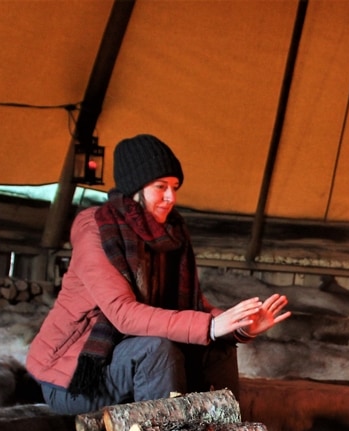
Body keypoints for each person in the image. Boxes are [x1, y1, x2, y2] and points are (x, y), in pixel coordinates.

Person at [27, 134, 290, 416]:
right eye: (160, 187)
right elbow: (122, 313)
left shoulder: (171, 234)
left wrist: (238, 327)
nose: (171, 197)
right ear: (135, 189)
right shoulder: (98, 229)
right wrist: (210, 326)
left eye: (174, 187)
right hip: (76, 377)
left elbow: (194, 307)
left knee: (220, 346)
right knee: (157, 350)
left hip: (125, 358)